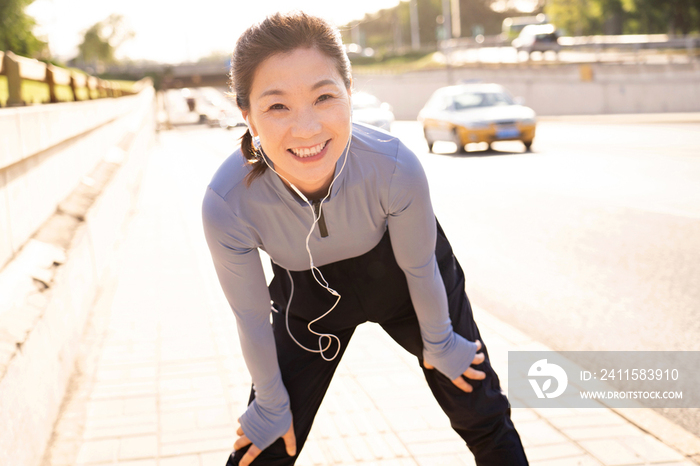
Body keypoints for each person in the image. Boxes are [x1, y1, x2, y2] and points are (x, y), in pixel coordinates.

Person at [202, 11, 529, 466]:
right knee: (265, 445)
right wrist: (273, 405)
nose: (308, 128)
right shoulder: (228, 202)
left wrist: (439, 342)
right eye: (278, 106)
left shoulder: (394, 166)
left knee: (482, 410)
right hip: (308, 299)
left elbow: (419, 267)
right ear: (247, 114)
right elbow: (252, 319)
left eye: (324, 97)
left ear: (350, 93)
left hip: (407, 278)